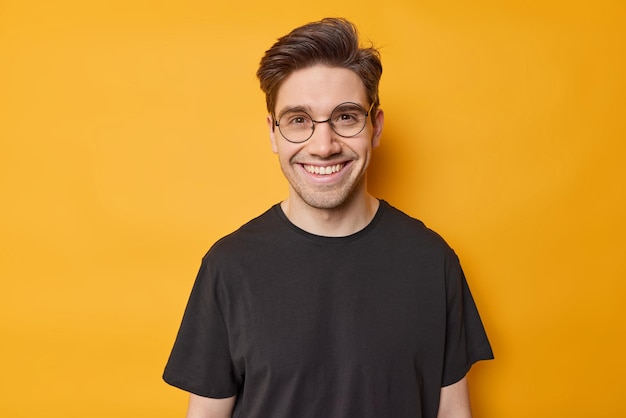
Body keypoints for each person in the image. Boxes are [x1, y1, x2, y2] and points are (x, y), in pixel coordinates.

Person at [163, 17, 493, 418]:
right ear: (273, 132)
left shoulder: (433, 262)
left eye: (346, 116)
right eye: (299, 120)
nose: (323, 145)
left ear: (375, 126)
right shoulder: (229, 267)